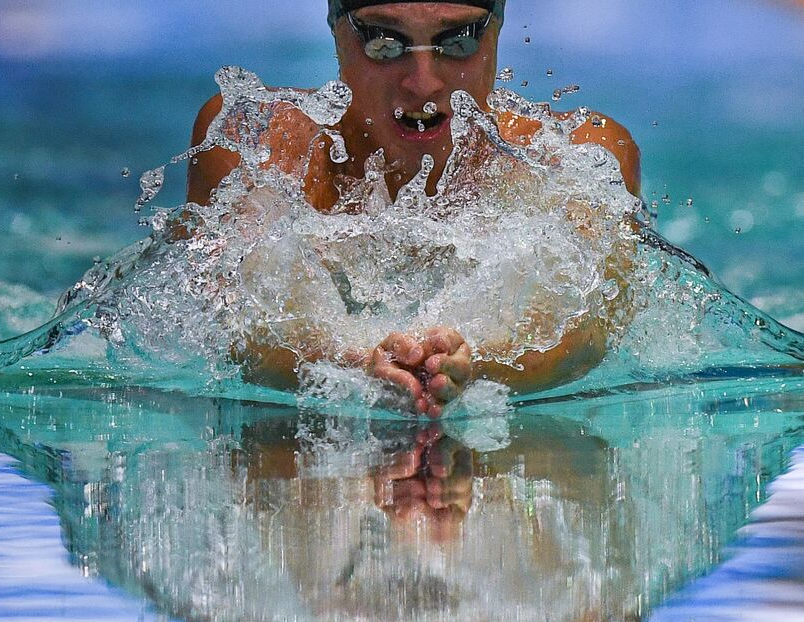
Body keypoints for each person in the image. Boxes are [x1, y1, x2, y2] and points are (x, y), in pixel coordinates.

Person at [187, 2, 641, 416]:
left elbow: (590, 333)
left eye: (458, 42)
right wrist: (354, 366)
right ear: (336, 29)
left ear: (497, 30)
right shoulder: (255, 144)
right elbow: (229, 328)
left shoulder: (578, 159)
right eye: (384, 43)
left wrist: (475, 370)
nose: (423, 83)